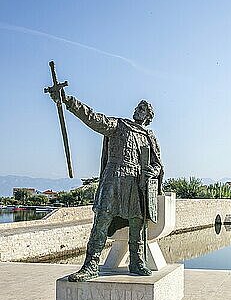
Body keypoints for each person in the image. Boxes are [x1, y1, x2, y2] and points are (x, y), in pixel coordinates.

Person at [47, 89, 164, 281]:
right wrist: (67, 100)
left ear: (148, 117)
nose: (138, 110)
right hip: (114, 176)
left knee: (137, 221)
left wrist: (154, 171)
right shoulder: (118, 125)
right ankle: (91, 265)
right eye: (138, 107)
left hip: (135, 182)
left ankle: (137, 261)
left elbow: (157, 164)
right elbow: (92, 117)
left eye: (143, 109)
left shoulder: (149, 137)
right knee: (102, 219)